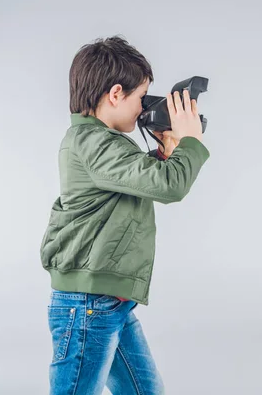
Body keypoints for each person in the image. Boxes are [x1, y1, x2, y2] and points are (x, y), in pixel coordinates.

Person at [40, 36, 210, 394]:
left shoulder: (106, 144)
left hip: (108, 303)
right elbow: (169, 186)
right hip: (87, 305)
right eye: (140, 98)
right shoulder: (92, 143)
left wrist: (167, 151)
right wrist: (191, 142)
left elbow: (138, 180)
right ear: (116, 94)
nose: (143, 107)